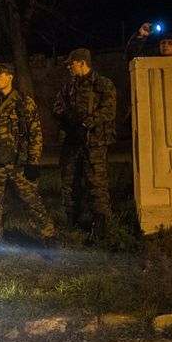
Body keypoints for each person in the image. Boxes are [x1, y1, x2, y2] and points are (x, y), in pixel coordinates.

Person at [0, 63, 55, 245]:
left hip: (19, 164)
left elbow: (35, 133)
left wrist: (34, 161)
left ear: (10, 77)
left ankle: (48, 235)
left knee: (32, 201)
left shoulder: (24, 102)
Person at [53, 48, 116, 241]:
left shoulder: (102, 84)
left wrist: (85, 123)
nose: (69, 68)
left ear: (82, 63)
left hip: (94, 143)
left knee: (97, 185)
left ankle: (100, 227)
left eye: (71, 64)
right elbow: (57, 106)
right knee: (69, 183)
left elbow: (109, 110)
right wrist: (67, 117)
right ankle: (73, 221)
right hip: (72, 143)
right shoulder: (69, 86)